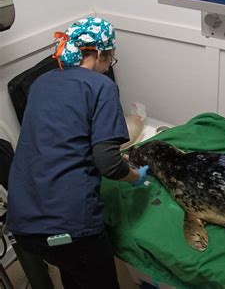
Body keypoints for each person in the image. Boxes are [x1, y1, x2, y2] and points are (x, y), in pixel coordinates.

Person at [6, 17, 149, 288]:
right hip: (70, 227)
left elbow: (60, 138)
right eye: (110, 60)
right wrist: (134, 176)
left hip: (22, 221)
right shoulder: (102, 86)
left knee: (73, 272)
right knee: (93, 274)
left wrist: (114, 156)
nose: (109, 68)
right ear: (98, 54)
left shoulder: (41, 82)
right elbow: (108, 164)